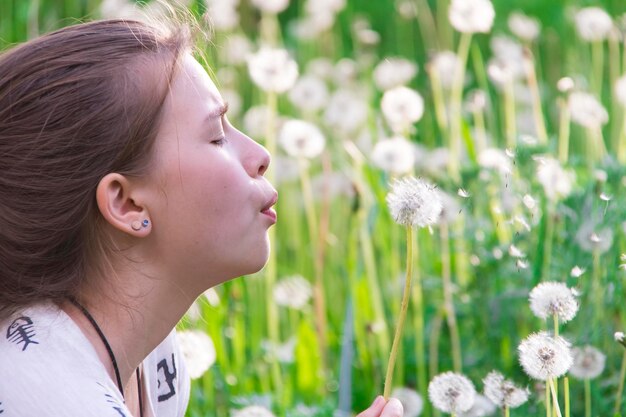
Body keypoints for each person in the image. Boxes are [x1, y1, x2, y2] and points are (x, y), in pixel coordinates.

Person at [0, 17, 403, 417]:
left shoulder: (156, 363)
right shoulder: (54, 398)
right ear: (128, 205)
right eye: (216, 137)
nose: (261, 156)